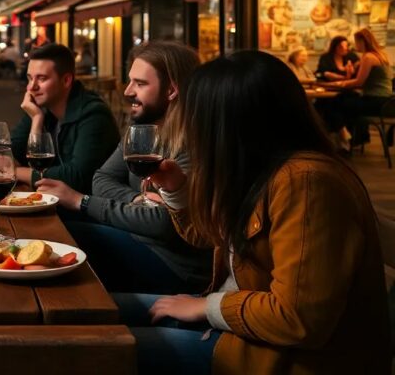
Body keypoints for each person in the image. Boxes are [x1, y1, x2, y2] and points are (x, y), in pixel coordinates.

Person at [116, 50, 388, 375]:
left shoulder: (306, 181)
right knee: (94, 313)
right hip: (241, 327)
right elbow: (207, 237)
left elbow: (298, 318)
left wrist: (207, 306)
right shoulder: (260, 170)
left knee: (96, 347)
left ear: (231, 122)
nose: (188, 127)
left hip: (276, 358)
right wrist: (175, 190)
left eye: (196, 116)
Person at [35, 42, 211, 294]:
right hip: (133, 235)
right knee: (52, 230)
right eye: (130, 81)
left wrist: (81, 201)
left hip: (174, 266)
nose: (128, 91)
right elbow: (102, 178)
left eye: (140, 83)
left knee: (58, 241)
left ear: (171, 90)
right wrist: (137, 199)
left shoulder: (193, 142)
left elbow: (163, 224)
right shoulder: (140, 131)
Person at [11, 43, 119, 192]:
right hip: (52, 203)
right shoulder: (39, 107)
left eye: (41, 79)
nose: (31, 87)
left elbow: (76, 177)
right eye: (30, 78)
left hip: (83, 211)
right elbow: (8, 154)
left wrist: (16, 172)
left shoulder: (94, 115)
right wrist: (36, 121)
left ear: (66, 80)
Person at [327, 28, 393, 148]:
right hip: (386, 102)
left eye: (356, 41)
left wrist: (341, 84)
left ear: (362, 41)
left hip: (375, 101)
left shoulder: (368, 57)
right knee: (344, 99)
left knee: (333, 103)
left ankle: (344, 138)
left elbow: (359, 82)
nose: (354, 45)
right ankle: (350, 139)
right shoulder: (381, 55)